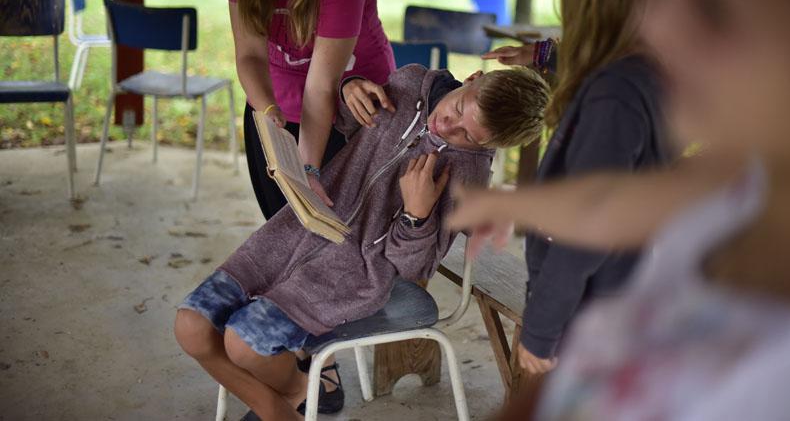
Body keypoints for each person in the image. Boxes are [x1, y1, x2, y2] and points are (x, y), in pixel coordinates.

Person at [452, 0, 790, 418]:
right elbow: (610, 202)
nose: (663, 24)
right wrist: (514, 204)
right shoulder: (740, 183)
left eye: (715, 1)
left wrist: (541, 329)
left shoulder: (618, 93)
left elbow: (587, 229)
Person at [174, 64, 549, 420]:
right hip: (291, 234)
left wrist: (416, 216)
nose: (449, 126)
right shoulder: (409, 83)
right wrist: (349, 90)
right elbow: (345, 124)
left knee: (243, 345)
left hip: (350, 276)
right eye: (459, 108)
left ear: (489, 145)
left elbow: (414, 269)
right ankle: (292, 400)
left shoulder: (466, 175)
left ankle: (289, 397)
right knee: (191, 327)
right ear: (473, 78)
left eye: (468, 136)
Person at [479, 0, 677, 375]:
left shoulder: (615, 95)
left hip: (595, 319)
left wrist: (542, 329)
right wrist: (541, 56)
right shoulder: (643, 67)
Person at [230, 0, 395, 221]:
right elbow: (249, 55)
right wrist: (267, 109)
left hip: (350, 102)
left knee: (338, 222)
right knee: (280, 222)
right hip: (278, 92)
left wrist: (307, 169)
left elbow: (322, 84)